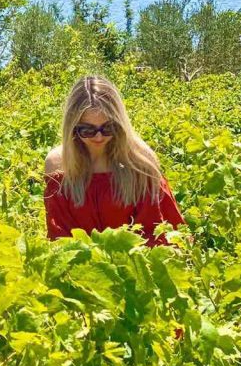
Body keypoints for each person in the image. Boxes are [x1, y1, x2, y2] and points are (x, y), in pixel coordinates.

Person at [44, 75, 184, 246]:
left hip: (135, 265)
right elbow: (59, 236)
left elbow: (157, 234)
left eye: (108, 127)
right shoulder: (59, 163)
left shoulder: (139, 161)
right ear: (72, 128)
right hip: (81, 268)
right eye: (87, 130)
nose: (98, 136)